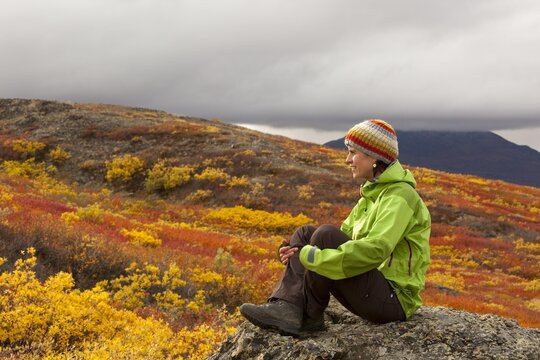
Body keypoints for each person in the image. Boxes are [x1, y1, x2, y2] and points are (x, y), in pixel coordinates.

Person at [240, 119, 431, 336]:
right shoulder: (370, 195)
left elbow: (376, 249)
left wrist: (312, 258)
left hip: (393, 299)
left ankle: (308, 318)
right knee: (305, 234)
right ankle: (287, 308)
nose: (347, 159)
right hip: (370, 288)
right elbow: (341, 240)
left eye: (353, 152)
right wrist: (295, 255)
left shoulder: (400, 196)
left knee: (323, 236)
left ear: (374, 156)